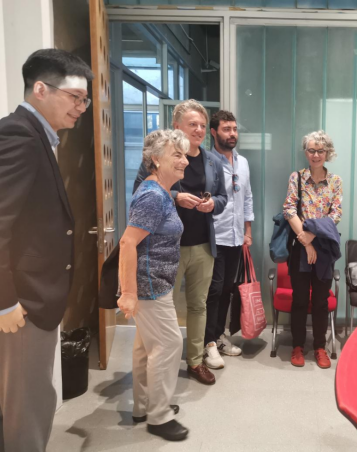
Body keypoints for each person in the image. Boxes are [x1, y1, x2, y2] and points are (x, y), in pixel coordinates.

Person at [0, 49, 93, 452]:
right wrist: (1, 301)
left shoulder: (34, 135)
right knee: (28, 411)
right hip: (20, 305)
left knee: (0, 406)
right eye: (75, 97)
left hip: (20, 301)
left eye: (85, 100)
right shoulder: (19, 136)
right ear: (41, 89)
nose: (81, 108)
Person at [134, 100, 227, 386]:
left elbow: (223, 197)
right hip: (165, 250)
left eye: (202, 125)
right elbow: (141, 189)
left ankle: (195, 361)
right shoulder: (160, 157)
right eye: (192, 124)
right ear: (176, 126)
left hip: (202, 245)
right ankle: (162, 364)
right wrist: (176, 197)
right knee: (165, 308)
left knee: (198, 305)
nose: (199, 130)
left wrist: (213, 205)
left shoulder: (213, 161)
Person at [118, 129, 190, 442]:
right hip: (149, 285)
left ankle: (144, 406)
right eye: (177, 155)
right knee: (168, 344)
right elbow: (127, 243)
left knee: (145, 346)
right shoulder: (152, 196)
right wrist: (128, 293)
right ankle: (159, 416)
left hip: (156, 283)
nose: (185, 161)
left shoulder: (159, 191)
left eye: (185, 155)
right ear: (156, 159)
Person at [283, 131, 343, 370]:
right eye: (311, 150)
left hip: (325, 247)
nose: (316, 155)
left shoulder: (335, 181)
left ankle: (319, 346)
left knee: (320, 300)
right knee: (299, 299)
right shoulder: (297, 177)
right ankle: (297, 345)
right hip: (300, 247)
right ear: (305, 152)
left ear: (327, 152)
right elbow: (289, 210)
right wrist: (306, 242)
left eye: (320, 150)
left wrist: (314, 235)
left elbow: (336, 214)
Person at [203, 111, 254, 370]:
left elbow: (247, 197)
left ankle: (219, 336)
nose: (232, 134)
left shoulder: (242, 162)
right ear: (214, 132)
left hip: (236, 237)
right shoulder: (207, 162)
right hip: (214, 236)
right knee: (213, 291)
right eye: (226, 129)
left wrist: (247, 231)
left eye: (234, 129)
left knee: (227, 290)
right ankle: (208, 342)